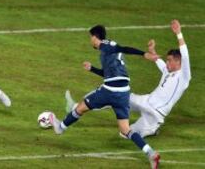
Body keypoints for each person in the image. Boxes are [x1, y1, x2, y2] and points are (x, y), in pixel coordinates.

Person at [49, 25, 160, 169]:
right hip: (123, 91)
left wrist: (144, 54)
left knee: (81, 107)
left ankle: (60, 127)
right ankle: (150, 153)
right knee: (125, 129)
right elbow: (109, 74)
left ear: (95, 37)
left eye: (91, 37)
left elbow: (124, 48)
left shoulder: (105, 46)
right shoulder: (107, 50)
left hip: (110, 90)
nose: (90, 40)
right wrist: (92, 69)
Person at [127, 20, 191, 137]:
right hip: (146, 101)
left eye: (169, 60)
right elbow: (158, 61)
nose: (167, 62)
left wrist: (179, 34)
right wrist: (152, 51)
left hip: (155, 113)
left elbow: (185, 56)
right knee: (120, 97)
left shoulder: (184, 77)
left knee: (127, 133)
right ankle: (86, 105)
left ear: (178, 61)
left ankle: (152, 129)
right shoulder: (168, 70)